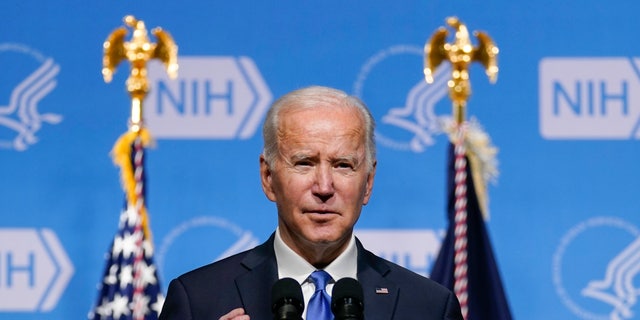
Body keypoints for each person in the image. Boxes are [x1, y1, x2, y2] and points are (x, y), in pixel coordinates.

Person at [159, 86, 463, 320]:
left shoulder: (429, 306)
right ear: (268, 177)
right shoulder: (198, 300)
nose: (324, 187)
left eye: (343, 165)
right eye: (304, 163)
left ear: (368, 183)